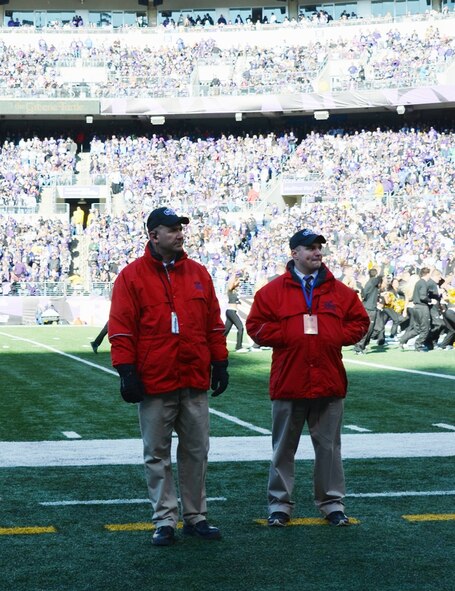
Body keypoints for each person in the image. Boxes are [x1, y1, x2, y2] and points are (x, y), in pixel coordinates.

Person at [108, 206, 229, 546]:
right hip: (155, 380)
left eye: (181, 228)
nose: (180, 234)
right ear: (153, 235)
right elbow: (121, 327)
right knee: (157, 453)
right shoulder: (131, 277)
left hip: (192, 377)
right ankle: (164, 519)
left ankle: (195, 516)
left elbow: (213, 324)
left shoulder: (199, 273)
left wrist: (219, 362)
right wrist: (126, 371)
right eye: (172, 228)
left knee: (196, 451)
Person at [246, 228, 369, 527]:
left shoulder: (339, 291)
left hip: (328, 380)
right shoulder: (272, 292)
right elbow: (255, 326)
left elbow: (360, 321)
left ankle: (331, 503)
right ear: (294, 253)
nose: (317, 253)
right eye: (310, 248)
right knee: (283, 448)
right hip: (289, 380)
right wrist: (288, 335)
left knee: (329, 449)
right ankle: (279, 504)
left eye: (319, 248)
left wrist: (336, 335)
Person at [399, 267, 432, 352]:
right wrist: (431, 300)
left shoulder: (418, 283)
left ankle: (402, 340)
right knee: (425, 329)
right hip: (422, 308)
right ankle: (418, 345)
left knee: (417, 329)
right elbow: (422, 296)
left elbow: (414, 296)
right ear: (428, 274)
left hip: (415, 307)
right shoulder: (423, 283)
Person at [354, 268, 384, 354]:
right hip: (370, 309)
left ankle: (362, 346)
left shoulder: (369, 283)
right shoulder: (373, 281)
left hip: (369, 308)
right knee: (368, 329)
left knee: (372, 329)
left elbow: (364, 295)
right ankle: (359, 347)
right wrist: (383, 267)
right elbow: (380, 276)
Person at [224, 272, 250, 353]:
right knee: (240, 327)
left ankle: (216, 345)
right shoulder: (230, 289)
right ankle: (238, 347)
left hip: (231, 311)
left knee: (226, 331)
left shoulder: (235, 292)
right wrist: (235, 275)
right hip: (231, 311)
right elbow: (232, 284)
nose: (239, 284)